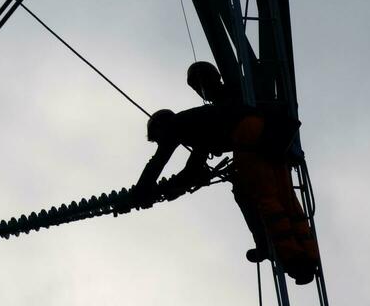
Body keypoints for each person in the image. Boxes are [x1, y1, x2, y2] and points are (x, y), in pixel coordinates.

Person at [131, 61, 321, 284]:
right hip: (272, 133)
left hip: (248, 134)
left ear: (160, 128)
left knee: (262, 197)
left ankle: (292, 260)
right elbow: (194, 168)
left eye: (157, 139)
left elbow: (160, 162)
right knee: (286, 198)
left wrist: (141, 192)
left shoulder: (176, 123)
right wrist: (174, 188)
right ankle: (309, 257)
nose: (160, 143)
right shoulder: (202, 120)